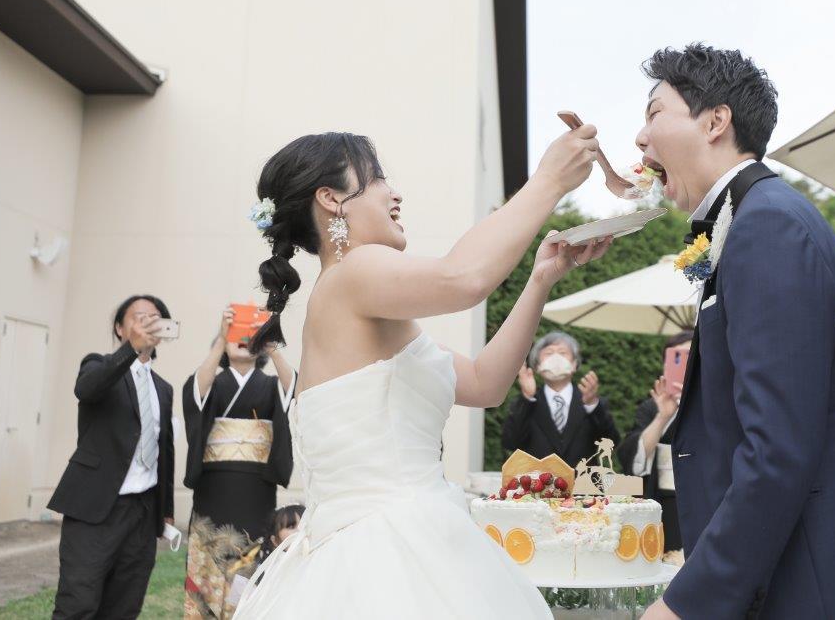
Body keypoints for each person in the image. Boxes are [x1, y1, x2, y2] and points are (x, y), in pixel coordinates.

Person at [633, 44, 835, 620]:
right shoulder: (755, 216)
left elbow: (779, 448)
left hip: (829, 575)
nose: (639, 138)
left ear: (715, 121)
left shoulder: (768, 227)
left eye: (654, 113)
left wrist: (689, 602)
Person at [233, 128, 611, 618]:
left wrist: (540, 280)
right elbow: (463, 277)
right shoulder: (354, 272)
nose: (396, 194)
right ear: (331, 199)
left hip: (389, 541)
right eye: (378, 179)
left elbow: (485, 383)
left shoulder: (360, 303)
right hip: (387, 552)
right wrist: (548, 181)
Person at [48, 295, 176, 620]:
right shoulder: (97, 366)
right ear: (120, 328)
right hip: (96, 507)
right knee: (78, 603)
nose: (147, 324)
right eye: (139, 317)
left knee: (124, 606)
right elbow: (86, 389)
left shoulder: (163, 389)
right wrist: (130, 349)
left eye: (154, 318)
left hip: (142, 513)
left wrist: (166, 511)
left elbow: (165, 451)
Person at [183, 307, 297, 619]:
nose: (243, 340)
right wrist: (222, 338)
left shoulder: (271, 385)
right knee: (207, 564)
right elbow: (195, 392)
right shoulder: (214, 382)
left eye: (251, 337)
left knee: (248, 569)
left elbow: (294, 390)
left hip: (256, 488)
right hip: (213, 487)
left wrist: (273, 346)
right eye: (236, 336)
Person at [617, 330, 691, 554]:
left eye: (692, 355)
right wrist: (663, 417)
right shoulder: (650, 407)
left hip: (702, 496)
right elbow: (635, 459)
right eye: (678, 356)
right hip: (663, 498)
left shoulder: (716, 402)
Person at [501, 332, 620, 468]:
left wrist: (592, 405)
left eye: (563, 353)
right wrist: (527, 398)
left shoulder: (591, 402)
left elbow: (611, 442)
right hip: (539, 480)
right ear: (537, 365)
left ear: (575, 364)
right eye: (549, 353)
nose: (556, 358)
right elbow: (510, 442)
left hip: (583, 480)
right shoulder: (526, 403)